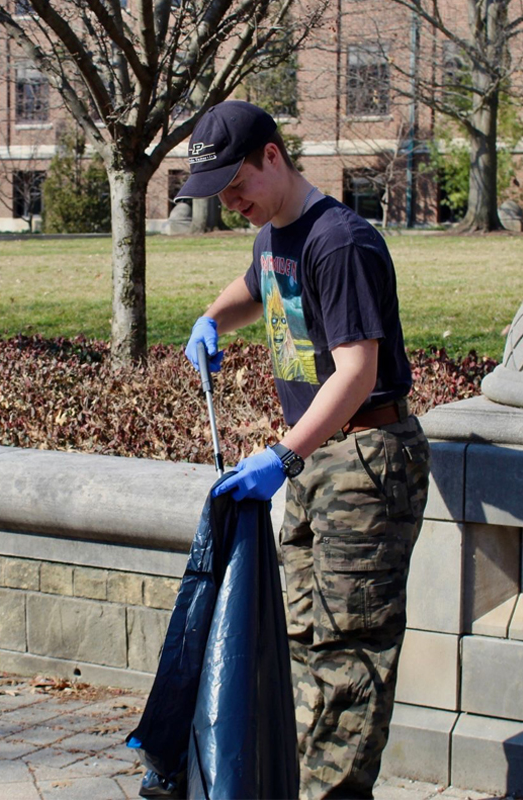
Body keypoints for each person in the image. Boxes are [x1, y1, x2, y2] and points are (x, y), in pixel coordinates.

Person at [178, 100, 431, 800]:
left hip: (365, 455)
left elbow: (356, 371)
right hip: (319, 457)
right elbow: (254, 288)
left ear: (273, 155)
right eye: (219, 195)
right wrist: (211, 320)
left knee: (351, 653)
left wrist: (282, 457)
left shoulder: (339, 241)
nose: (232, 203)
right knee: (302, 642)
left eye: (237, 185)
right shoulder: (275, 234)